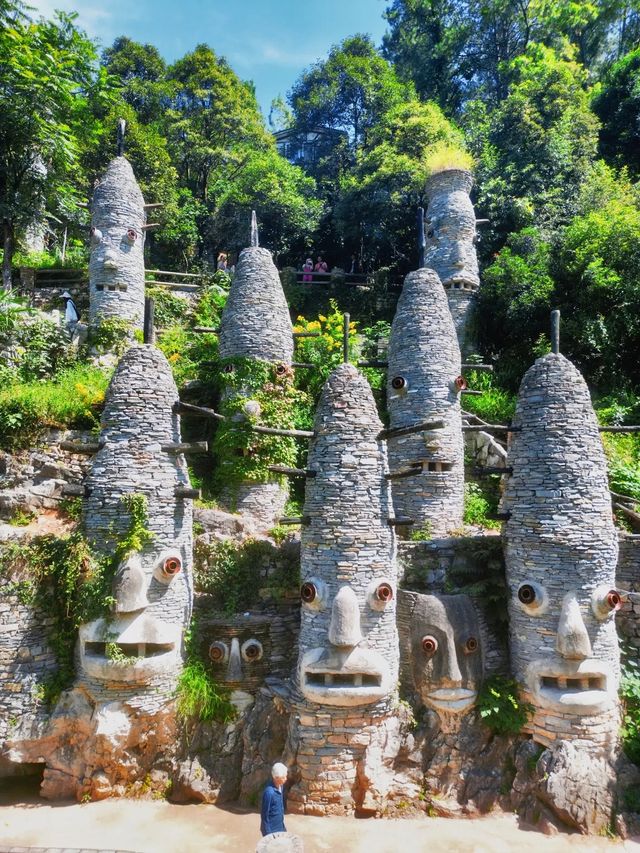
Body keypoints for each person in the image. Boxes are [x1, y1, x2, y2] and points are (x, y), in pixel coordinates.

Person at [260, 761, 288, 836]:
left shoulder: (280, 786)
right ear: (276, 778)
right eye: (283, 777)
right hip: (271, 830)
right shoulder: (269, 793)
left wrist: (283, 827)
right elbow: (264, 815)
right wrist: (268, 834)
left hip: (280, 827)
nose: (286, 779)